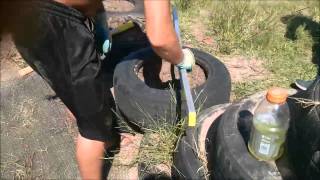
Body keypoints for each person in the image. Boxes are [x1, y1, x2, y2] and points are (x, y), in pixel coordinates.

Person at [2, 0, 195, 179]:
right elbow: (161, 39)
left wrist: (100, 18)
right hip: (56, 23)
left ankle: (107, 138)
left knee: (68, 82)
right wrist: (180, 57)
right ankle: (99, 138)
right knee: (93, 129)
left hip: (26, 16)